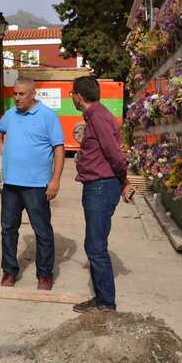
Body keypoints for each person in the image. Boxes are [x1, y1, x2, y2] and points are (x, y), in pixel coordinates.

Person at [0, 77, 65, 290]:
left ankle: (44, 274)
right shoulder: (10, 115)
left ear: (33, 94)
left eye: (21, 94)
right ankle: (9, 271)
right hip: (11, 184)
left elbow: (58, 149)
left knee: (42, 230)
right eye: (14, 94)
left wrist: (55, 180)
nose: (17, 98)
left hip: (37, 185)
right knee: (8, 228)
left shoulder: (47, 117)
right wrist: (3, 149)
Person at [70, 76, 134, 312]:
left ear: (78, 96)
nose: (72, 99)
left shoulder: (98, 117)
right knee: (94, 245)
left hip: (100, 187)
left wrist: (123, 181)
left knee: (96, 247)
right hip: (98, 186)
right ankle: (101, 298)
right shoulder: (96, 116)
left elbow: (114, 155)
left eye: (72, 94)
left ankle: (107, 303)